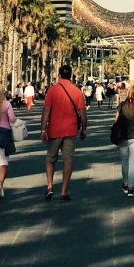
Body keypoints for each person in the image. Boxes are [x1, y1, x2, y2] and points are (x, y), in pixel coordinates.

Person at [41, 64, 87, 202]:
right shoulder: (77, 91)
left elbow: (46, 111)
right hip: (70, 130)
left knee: (50, 159)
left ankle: (49, 187)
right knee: (68, 159)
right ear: (71, 75)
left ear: (59, 75)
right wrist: (84, 128)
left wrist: (43, 129)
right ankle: (63, 191)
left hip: (54, 130)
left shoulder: (52, 90)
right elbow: (82, 113)